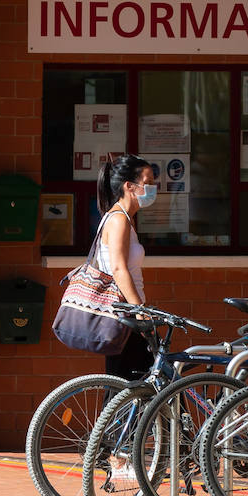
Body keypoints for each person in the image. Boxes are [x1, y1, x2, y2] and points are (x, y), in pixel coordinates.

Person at [96, 154, 156, 380]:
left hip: (129, 316)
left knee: (139, 385)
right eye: (148, 182)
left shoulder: (123, 219)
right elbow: (119, 269)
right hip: (127, 318)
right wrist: (141, 313)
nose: (153, 188)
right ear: (129, 186)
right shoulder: (118, 219)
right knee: (128, 387)